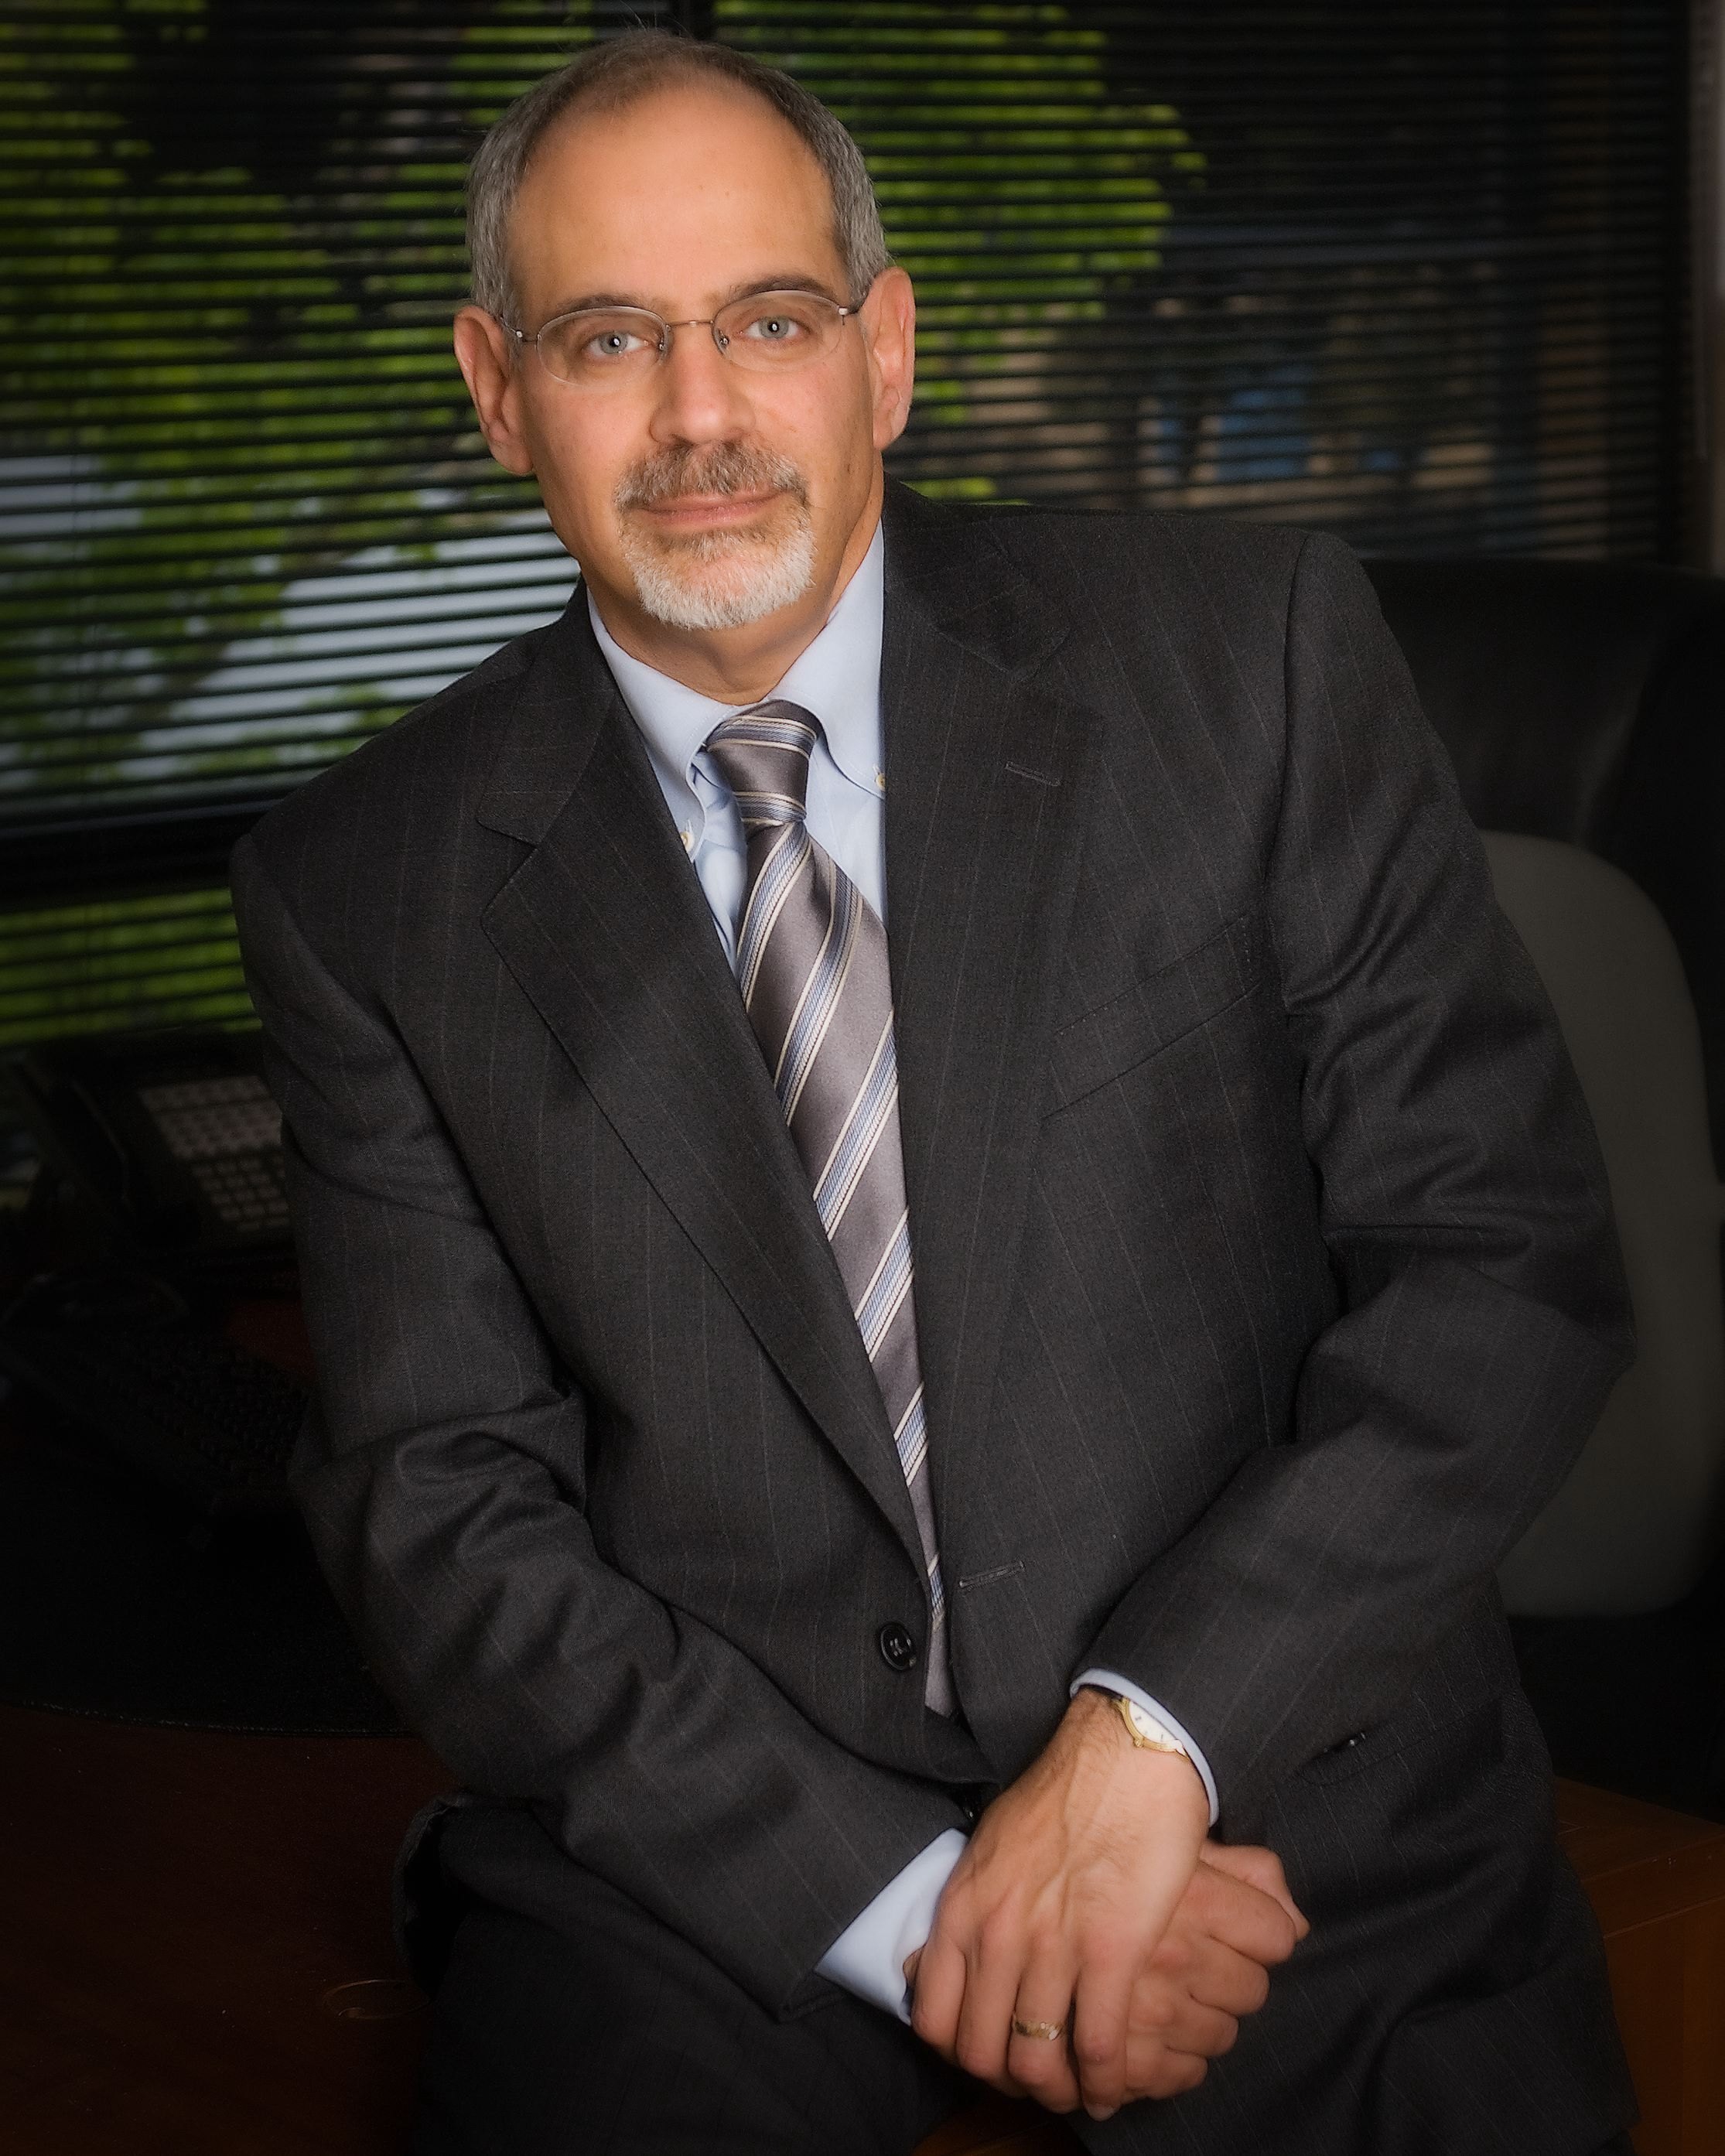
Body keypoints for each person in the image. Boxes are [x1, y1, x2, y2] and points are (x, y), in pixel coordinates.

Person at [230, 30, 1639, 2156]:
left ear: (882, 353)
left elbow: (1502, 1267)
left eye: (770, 322)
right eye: (609, 339)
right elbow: (441, 1513)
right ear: (497, 390)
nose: (701, 415)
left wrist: (1151, 1740)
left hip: (1292, 1799)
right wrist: (915, 1912)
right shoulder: (366, 886)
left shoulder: (1242, 663)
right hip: (723, 1867)